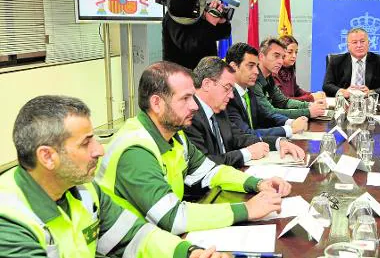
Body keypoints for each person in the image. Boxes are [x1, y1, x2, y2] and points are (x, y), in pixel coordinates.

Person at [0, 95, 225, 258]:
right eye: (86, 142)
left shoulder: (85, 190)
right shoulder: (8, 223)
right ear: (47, 157)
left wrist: (188, 253)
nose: (99, 150)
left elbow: (136, 237)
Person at [96, 61, 292, 235]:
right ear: (156, 103)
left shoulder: (176, 135)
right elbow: (171, 217)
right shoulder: (135, 149)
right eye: (185, 98)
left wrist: (257, 184)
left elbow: (211, 171)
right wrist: (247, 209)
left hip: (157, 239)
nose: (195, 106)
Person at [185, 56, 305, 168]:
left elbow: (239, 136)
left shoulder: (217, 109)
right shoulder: (189, 116)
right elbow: (204, 164)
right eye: (227, 88)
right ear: (207, 84)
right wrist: (247, 153)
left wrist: (278, 142)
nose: (231, 95)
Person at [226, 43, 309, 138]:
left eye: (256, 66)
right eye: (250, 66)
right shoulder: (228, 97)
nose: (256, 72)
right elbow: (245, 134)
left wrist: (290, 122)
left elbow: (266, 115)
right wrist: (290, 129)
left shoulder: (248, 91)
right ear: (233, 67)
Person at [252, 37, 326, 119]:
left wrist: (310, 105)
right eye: (276, 56)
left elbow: (284, 102)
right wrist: (308, 111)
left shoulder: (269, 77)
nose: (280, 61)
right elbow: (270, 112)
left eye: (282, 57)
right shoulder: (253, 79)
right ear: (261, 57)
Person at [323, 27, 380, 98]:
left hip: (370, 103)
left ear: (369, 43)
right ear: (348, 46)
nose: (359, 45)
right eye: (354, 42)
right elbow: (327, 86)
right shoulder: (335, 61)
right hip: (345, 102)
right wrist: (342, 91)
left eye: (362, 41)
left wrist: (371, 92)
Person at [162, 0, 232, 70]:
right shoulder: (174, 15)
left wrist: (222, 22)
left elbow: (224, 35)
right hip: (183, 74)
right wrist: (210, 23)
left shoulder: (199, 13)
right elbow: (189, 45)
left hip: (207, 71)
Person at [275, 35, 325, 102]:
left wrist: (313, 94)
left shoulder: (290, 69)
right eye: (290, 52)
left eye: (296, 52)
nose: (294, 56)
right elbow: (284, 100)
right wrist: (311, 98)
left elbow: (296, 91)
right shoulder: (274, 72)